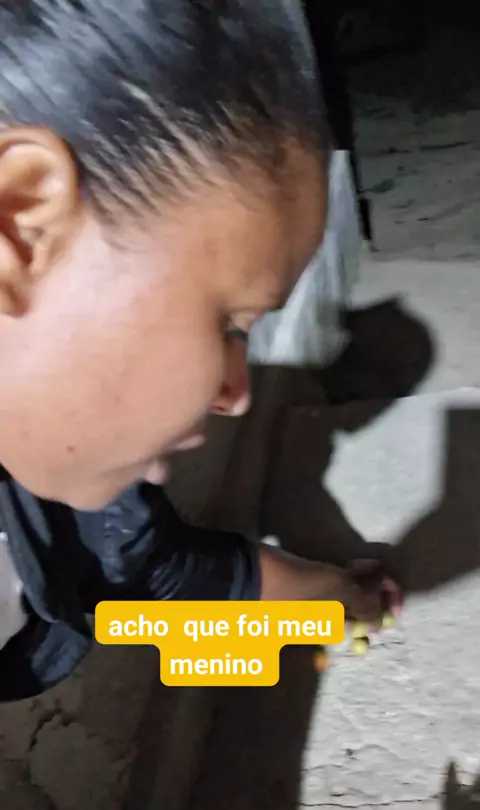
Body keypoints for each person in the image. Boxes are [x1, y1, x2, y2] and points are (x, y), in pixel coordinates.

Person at [0, 0, 401, 712]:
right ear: (23, 219)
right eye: (228, 323)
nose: (236, 394)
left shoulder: (60, 449)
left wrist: (333, 602)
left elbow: (147, 571)